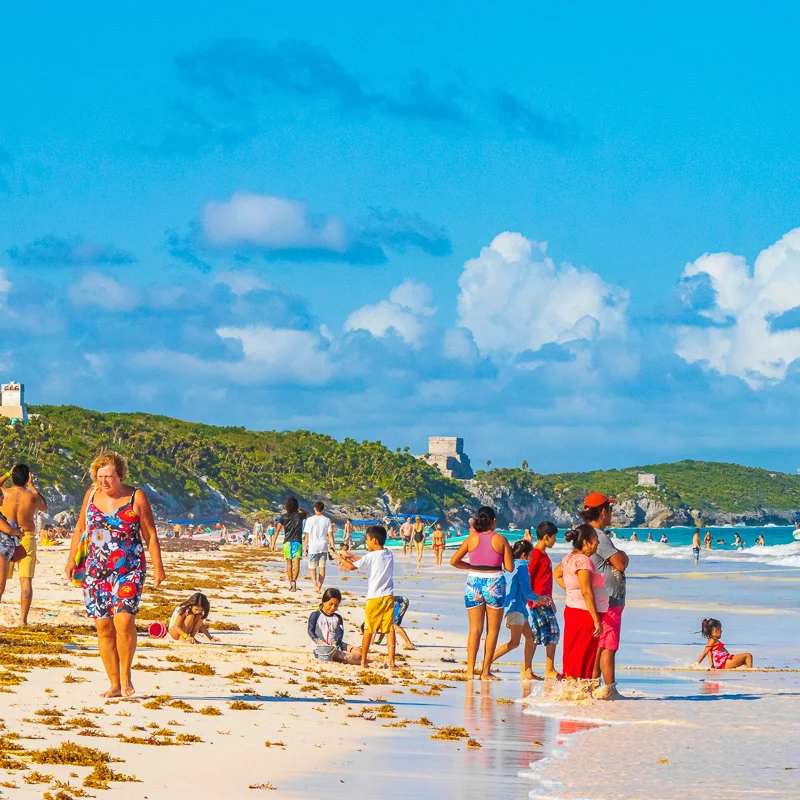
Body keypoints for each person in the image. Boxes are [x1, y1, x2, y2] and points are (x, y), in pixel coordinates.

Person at [65, 451, 165, 698]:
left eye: (109, 476)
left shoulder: (136, 496)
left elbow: (150, 534)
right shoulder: (90, 496)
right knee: (104, 627)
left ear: (120, 475)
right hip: (96, 570)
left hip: (129, 569)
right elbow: (80, 528)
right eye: (100, 476)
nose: (104, 482)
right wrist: (70, 559)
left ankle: (126, 676)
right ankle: (114, 684)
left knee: (124, 621)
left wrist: (158, 566)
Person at [450, 506, 513, 681]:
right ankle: (485, 672)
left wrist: (471, 566)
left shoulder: (471, 539)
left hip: (474, 583)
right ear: (493, 521)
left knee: (474, 630)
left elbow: (454, 561)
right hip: (494, 583)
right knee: (492, 631)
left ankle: (470, 670)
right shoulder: (500, 539)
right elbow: (509, 567)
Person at [329, 525, 397, 669]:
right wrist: (351, 556)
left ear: (375, 541)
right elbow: (368, 561)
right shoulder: (388, 554)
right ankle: (392, 663)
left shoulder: (371, 556)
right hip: (388, 597)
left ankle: (363, 661)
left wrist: (337, 556)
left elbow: (353, 567)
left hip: (374, 599)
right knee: (389, 629)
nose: (366, 543)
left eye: (367, 540)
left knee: (369, 629)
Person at [583, 492, 627, 700]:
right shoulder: (599, 536)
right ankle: (610, 688)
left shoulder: (589, 534)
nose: (611, 514)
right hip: (609, 598)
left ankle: (594, 685)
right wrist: (622, 555)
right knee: (609, 645)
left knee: (600, 644)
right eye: (609, 510)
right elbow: (620, 562)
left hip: (601, 596)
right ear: (602, 512)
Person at [552, 524, 608, 684]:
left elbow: (557, 574)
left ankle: (572, 685)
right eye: (595, 540)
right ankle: (580, 688)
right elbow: (586, 591)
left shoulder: (569, 558)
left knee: (573, 649)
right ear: (586, 541)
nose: (597, 544)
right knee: (584, 652)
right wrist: (596, 619)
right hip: (585, 613)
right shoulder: (584, 561)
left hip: (573, 609)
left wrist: (570, 590)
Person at [491, 540, 547, 679]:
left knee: (530, 637)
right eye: (531, 555)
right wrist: (540, 599)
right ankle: (486, 663)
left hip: (517, 608)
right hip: (516, 609)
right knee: (514, 642)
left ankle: (527, 671)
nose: (532, 557)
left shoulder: (509, 566)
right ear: (524, 555)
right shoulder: (522, 568)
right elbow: (526, 591)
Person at [0, 464, 48, 626]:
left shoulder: (4, 494)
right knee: (25, 580)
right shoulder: (32, 497)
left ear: (12, 477)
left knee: (0, 579)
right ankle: (23, 620)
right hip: (25, 536)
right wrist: (31, 485)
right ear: (27, 477)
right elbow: (44, 506)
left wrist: (7, 473)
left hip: (5, 536)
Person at [527, 521, 560, 679]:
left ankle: (549, 668)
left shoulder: (543, 554)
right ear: (546, 537)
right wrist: (531, 598)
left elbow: (545, 580)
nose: (555, 541)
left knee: (551, 633)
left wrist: (551, 600)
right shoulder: (536, 554)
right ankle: (528, 668)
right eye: (554, 537)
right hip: (537, 601)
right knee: (537, 634)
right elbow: (529, 576)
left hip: (545, 600)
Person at [307, 587, 362, 664]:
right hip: (321, 648)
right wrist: (319, 642)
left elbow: (340, 633)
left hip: (336, 644)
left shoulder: (337, 617)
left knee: (359, 652)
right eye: (330, 604)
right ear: (323, 602)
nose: (333, 608)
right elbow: (310, 630)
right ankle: (366, 662)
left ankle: (362, 660)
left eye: (336, 605)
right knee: (347, 657)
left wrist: (336, 643)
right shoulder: (315, 615)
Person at [273, 498, 307, 592]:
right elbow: (309, 515)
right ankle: (294, 581)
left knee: (289, 564)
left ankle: (290, 583)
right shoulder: (300, 516)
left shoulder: (283, 517)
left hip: (287, 542)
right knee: (297, 564)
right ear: (296, 506)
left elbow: (277, 531)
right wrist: (301, 509)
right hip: (297, 542)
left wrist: (273, 543)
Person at [303, 501, 335, 594]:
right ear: (323, 509)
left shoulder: (310, 520)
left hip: (312, 546)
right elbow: (330, 535)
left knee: (312, 567)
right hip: (323, 546)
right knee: (322, 567)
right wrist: (332, 546)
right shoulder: (327, 520)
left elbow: (307, 535)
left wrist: (305, 548)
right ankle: (319, 587)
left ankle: (315, 584)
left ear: (314, 508)